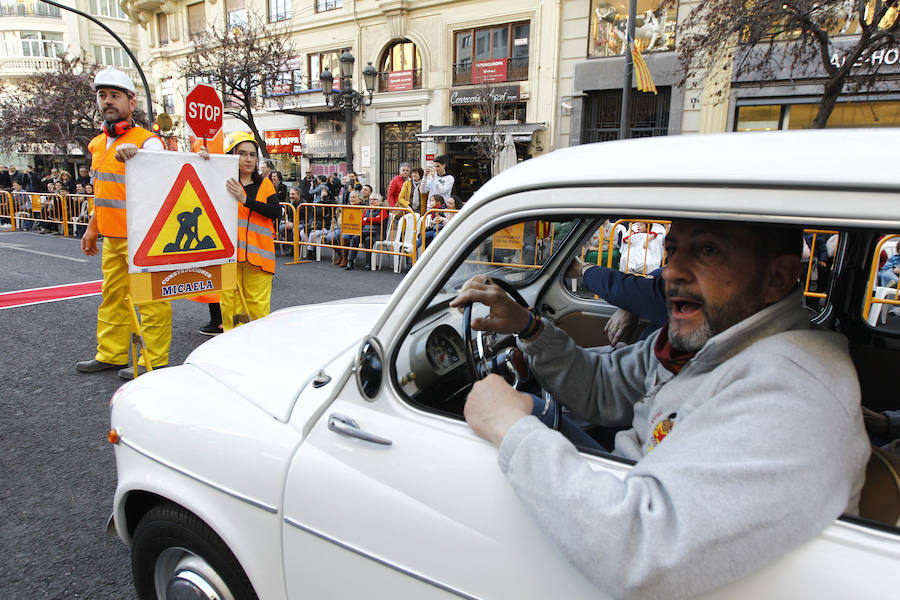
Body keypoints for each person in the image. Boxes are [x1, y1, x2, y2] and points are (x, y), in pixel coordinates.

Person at [449, 220, 868, 599]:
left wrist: (512, 429)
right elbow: (602, 386)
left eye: (707, 251)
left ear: (777, 276)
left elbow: (642, 552)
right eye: (672, 251)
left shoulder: (790, 392)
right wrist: (529, 326)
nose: (670, 271)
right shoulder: (708, 342)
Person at [75, 66, 171, 380]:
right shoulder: (97, 145)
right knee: (112, 297)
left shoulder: (148, 142)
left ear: (131, 103)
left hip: (145, 237)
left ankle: (152, 360)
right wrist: (92, 227)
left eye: (115, 95)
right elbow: (103, 191)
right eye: (103, 96)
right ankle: (112, 354)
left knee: (150, 299)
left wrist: (140, 158)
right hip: (113, 237)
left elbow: (164, 177)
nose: (107, 101)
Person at [200, 132, 279, 330]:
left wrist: (245, 201)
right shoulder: (223, 181)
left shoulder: (265, 183)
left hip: (259, 259)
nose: (248, 159)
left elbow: (276, 211)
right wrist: (204, 162)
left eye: (252, 155)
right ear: (232, 155)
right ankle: (230, 352)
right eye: (243, 153)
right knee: (230, 308)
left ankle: (256, 352)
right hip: (230, 258)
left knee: (258, 312)